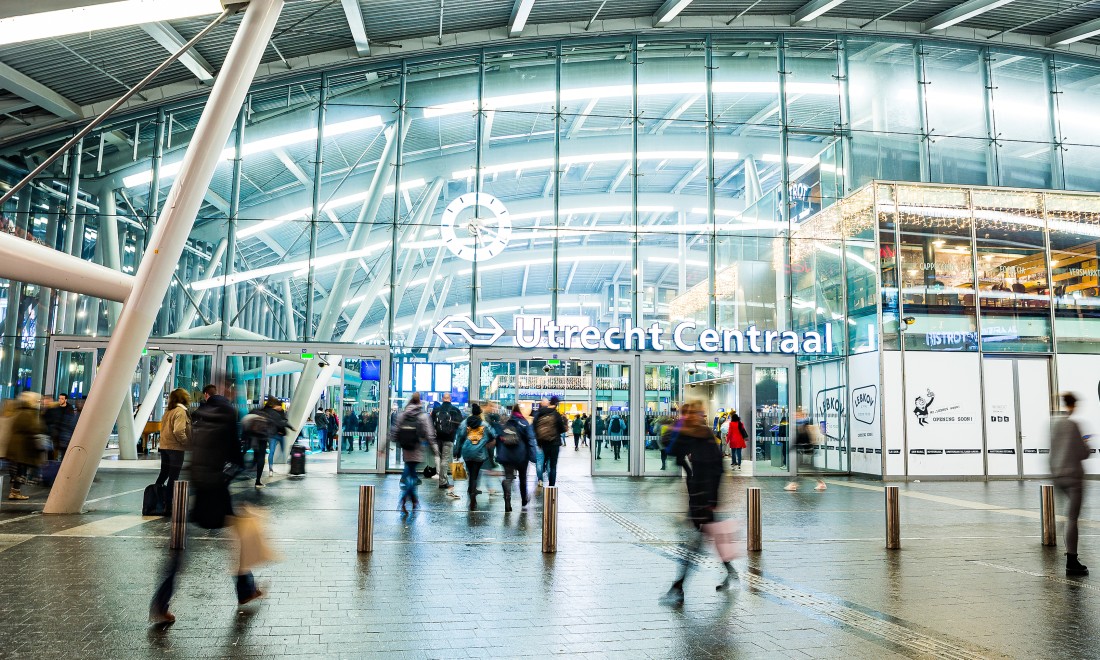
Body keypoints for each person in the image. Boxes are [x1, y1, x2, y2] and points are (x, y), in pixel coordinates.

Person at [151, 384, 261, 625]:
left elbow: (197, 447)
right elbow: (235, 457)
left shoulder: (201, 415)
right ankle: (244, 590)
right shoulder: (227, 416)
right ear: (228, 394)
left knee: (184, 549)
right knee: (238, 538)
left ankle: (162, 601)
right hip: (216, 488)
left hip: (200, 484)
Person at [660, 401, 737, 606]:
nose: (693, 417)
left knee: (694, 545)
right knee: (708, 539)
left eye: (694, 414)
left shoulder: (705, 436)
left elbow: (718, 469)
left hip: (705, 498)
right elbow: (671, 448)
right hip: (698, 496)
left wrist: (711, 500)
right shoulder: (693, 434)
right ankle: (730, 572)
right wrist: (678, 427)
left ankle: (678, 587)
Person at [1050, 392, 1090, 576]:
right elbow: (1083, 453)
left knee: (1066, 516)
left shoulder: (1056, 424)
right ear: (1073, 405)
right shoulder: (1074, 425)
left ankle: (1065, 548)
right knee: (1072, 518)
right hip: (1073, 478)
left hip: (1058, 476)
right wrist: (1086, 443)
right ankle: (1072, 560)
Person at [390, 393, 434, 514]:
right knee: (412, 475)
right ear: (420, 402)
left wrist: (385, 446)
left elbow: (394, 431)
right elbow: (429, 434)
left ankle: (414, 500)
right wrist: (434, 449)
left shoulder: (402, 415)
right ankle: (404, 498)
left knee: (410, 472)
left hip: (406, 449)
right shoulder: (423, 416)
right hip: (417, 448)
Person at [454, 403, 497, 510]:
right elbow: (493, 436)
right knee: (475, 473)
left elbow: (459, 438)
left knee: (470, 472)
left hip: (467, 452)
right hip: (479, 453)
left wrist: (457, 452)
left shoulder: (464, 423)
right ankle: (472, 493)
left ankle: (471, 490)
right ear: (480, 413)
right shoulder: (484, 424)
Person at [4, 391, 46, 500]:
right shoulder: (28, 413)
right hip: (23, 448)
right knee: (21, 470)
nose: (39, 403)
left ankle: (15, 491)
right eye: (37, 401)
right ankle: (15, 492)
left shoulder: (21, 411)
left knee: (20, 470)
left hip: (19, 447)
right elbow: (33, 429)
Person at [496, 404, 538, 512]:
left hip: (507, 456)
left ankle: (507, 500)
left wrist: (499, 455)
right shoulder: (524, 423)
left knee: (509, 477)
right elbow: (531, 440)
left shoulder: (505, 423)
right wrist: (533, 457)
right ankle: (524, 499)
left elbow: (499, 440)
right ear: (520, 412)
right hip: (521, 456)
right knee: (523, 478)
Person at [155, 388, 191, 500]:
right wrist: (186, 442)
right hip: (175, 448)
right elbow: (178, 431)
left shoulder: (168, 411)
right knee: (173, 476)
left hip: (164, 446)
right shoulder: (180, 411)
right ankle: (168, 502)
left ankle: (155, 497)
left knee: (164, 473)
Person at [785, 409, 826, 491]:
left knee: (806, 468)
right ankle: (820, 483)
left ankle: (794, 484)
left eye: (797, 415)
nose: (795, 416)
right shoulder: (802, 424)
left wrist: (793, 446)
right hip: (807, 451)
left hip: (808, 451)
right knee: (809, 468)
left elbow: (802, 438)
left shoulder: (804, 425)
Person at [431, 393, 463, 499]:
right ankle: (443, 481)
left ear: (442, 399)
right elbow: (460, 424)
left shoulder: (436, 410)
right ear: (450, 399)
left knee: (440, 458)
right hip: (449, 438)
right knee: (445, 459)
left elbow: (431, 423)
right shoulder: (455, 410)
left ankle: (442, 478)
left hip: (438, 437)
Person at [532, 395, 567, 488]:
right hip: (555, 443)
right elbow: (562, 429)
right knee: (552, 465)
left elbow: (534, 427)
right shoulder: (556, 414)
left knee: (542, 461)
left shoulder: (540, 413)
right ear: (556, 404)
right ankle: (551, 486)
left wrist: (539, 440)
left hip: (543, 442)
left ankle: (540, 476)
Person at [258, 397, 293, 484]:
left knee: (282, 451)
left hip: (278, 434)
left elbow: (284, 420)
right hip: (273, 434)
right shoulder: (271, 412)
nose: (280, 407)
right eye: (279, 406)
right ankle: (270, 468)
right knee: (272, 451)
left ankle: (275, 468)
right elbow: (282, 422)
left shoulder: (280, 412)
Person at [44, 393, 77, 461]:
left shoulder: (65, 409)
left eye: (62, 398)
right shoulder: (54, 408)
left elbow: (60, 423)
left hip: (58, 436)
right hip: (56, 435)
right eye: (59, 398)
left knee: (57, 455)